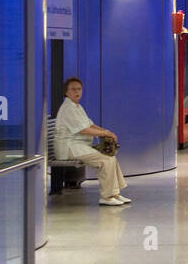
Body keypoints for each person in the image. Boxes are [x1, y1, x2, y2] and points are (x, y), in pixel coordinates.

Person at [54, 77, 131, 207]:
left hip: (79, 146)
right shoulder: (68, 108)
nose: (77, 92)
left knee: (109, 157)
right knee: (105, 160)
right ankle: (107, 197)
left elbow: (91, 124)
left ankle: (115, 193)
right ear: (66, 92)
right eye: (73, 89)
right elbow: (84, 130)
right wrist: (106, 134)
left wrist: (106, 131)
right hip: (70, 148)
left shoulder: (77, 106)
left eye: (79, 89)